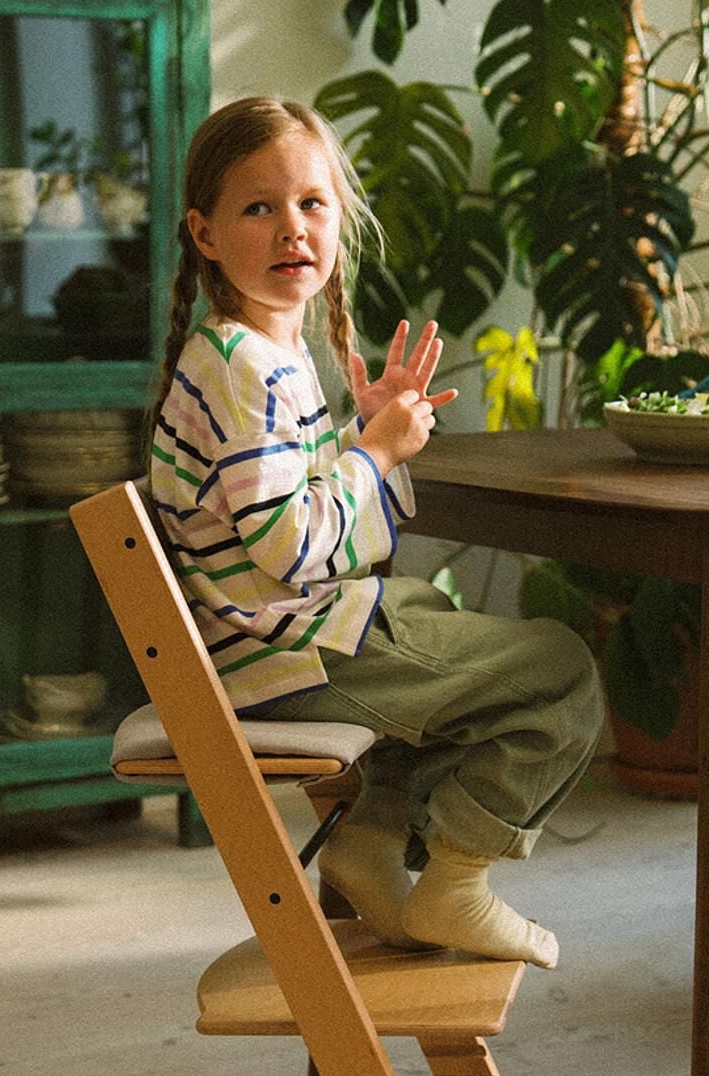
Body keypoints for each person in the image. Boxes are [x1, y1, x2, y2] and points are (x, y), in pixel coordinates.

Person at [149, 96, 601, 968]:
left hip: (277, 644)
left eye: (312, 204)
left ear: (339, 218)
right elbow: (294, 552)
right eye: (260, 208)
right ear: (205, 234)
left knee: (422, 601)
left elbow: (344, 543)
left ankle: (372, 834)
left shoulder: (247, 357)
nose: (293, 229)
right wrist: (373, 451)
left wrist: (368, 442)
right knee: (561, 673)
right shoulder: (249, 372)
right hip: (286, 661)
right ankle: (454, 883)